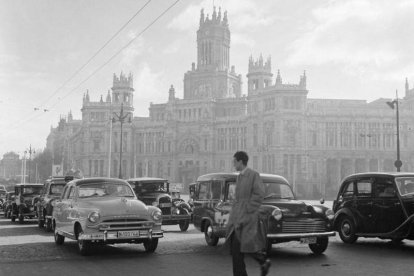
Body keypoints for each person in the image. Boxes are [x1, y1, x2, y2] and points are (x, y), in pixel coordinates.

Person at [225, 151, 271, 276]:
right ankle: (263, 261)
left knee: (243, 247)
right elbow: (237, 200)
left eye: (234, 161)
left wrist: (247, 211)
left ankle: (263, 261)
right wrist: (232, 219)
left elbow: (259, 194)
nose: (233, 164)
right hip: (238, 217)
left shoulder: (253, 175)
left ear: (240, 161)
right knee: (238, 250)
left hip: (248, 218)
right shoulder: (239, 177)